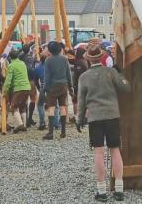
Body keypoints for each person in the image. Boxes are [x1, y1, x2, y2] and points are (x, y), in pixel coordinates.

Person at [77, 43, 130, 202]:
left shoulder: (84, 77)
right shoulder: (111, 72)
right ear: (102, 57)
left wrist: (80, 119)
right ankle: (119, 189)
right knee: (115, 150)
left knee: (98, 152)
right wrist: (121, 76)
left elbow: (81, 102)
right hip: (112, 115)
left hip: (95, 117)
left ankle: (101, 191)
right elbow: (126, 88)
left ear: (88, 60)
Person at [42, 41, 73, 140]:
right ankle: (63, 132)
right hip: (63, 85)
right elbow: (68, 74)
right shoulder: (64, 59)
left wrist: (45, 88)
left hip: (52, 86)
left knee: (51, 107)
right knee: (63, 106)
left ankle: (51, 133)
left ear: (50, 50)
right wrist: (70, 86)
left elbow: (47, 76)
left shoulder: (48, 60)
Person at [3, 47, 31, 133]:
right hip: (27, 87)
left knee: (13, 107)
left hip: (18, 88)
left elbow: (8, 80)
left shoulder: (11, 66)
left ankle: (20, 124)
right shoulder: (22, 63)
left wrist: (5, 90)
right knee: (23, 106)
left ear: (10, 58)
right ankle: (24, 125)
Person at [72, 46, 89, 123]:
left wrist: (75, 85)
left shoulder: (79, 62)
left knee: (77, 100)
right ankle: (83, 117)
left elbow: (77, 75)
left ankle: (79, 117)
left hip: (80, 84)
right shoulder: (84, 61)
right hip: (84, 83)